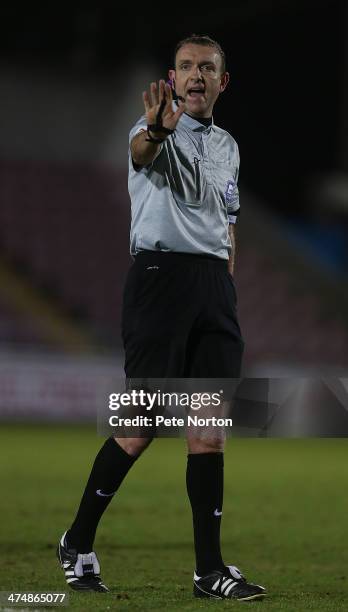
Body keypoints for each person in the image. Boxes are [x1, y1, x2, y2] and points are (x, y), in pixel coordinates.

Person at [57, 34, 266, 602]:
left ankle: (208, 571)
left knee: (209, 431)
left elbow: (229, 218)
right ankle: (77, 542)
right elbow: (142, 153)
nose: (195, 75)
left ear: (224, 82)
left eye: (207, 67)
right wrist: (156, 130)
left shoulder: (230, 146)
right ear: (172, 79)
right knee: (140, 426)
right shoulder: (148, 128)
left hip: (212, 289)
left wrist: (226, 279)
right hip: (160, 281)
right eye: (184, 67)